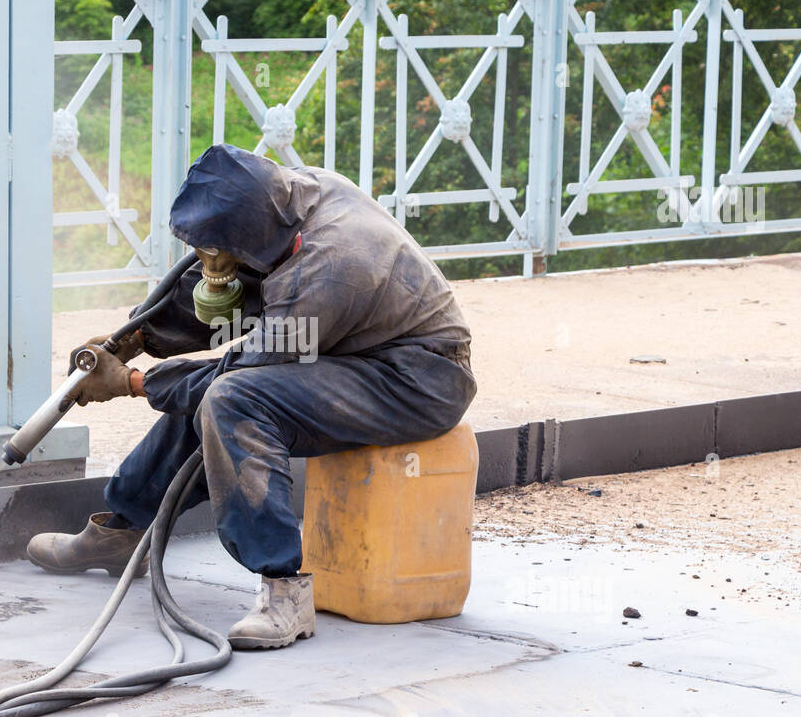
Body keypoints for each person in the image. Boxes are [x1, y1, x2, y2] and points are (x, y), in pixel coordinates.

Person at [27, 143, 475, 649]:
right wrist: (138, 335)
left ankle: (285, 593)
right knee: (219, 396)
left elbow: (243, 367)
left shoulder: (332, 266)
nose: (208, 260)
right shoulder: (285, 199)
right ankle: (123, 532)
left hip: (417, 380)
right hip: (352, 344)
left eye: (220, 248)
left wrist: (133, 383)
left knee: (233, 399)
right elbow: (224, 282)